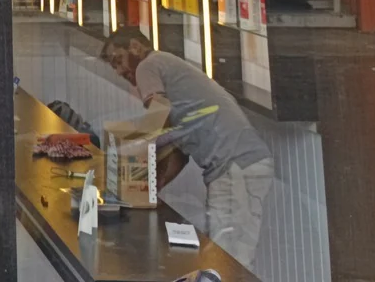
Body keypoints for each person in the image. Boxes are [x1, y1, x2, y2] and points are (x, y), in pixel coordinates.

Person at [100, 29, 274, 268]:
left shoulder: (147, 65)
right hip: (246, 164)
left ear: (135, 47)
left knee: (225, 259)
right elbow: (179, 152)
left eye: (118, 60)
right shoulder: (170, 70)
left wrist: (132, 157)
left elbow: (158, 114)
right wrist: (150, 188)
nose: (120, 71)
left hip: (233, 167)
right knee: (234, 256)